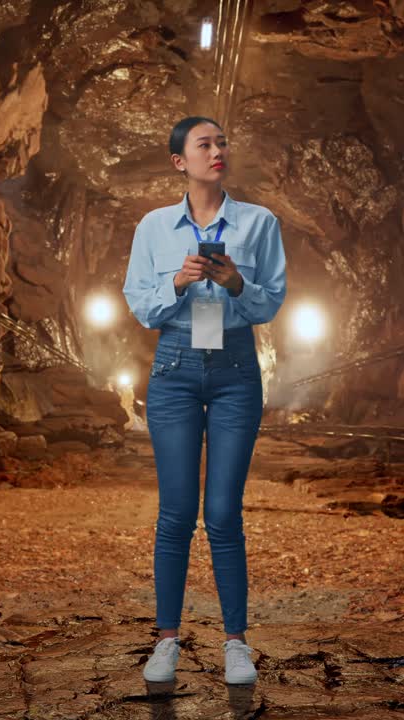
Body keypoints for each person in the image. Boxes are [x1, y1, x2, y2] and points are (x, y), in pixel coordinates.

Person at [121, 116, 287, 686]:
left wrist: (237, 283)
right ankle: (166, 639)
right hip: (174, 370)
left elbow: (271, 303)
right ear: (180, 162)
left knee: (222, 513)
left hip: (237, 370)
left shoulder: (259, 222)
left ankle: (235, 643)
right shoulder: (153, 227)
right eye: (205, 144)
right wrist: (179, 282)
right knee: (175, 513)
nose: (218, 150)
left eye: (222, 141)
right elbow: (140, 305)